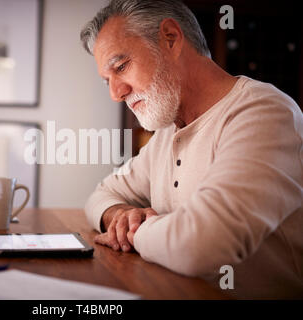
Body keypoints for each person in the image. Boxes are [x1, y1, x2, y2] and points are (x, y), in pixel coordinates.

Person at [80, 0, 303, 298]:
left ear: (170, 38)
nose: (115, 93)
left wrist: (138, 230)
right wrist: (121, 214)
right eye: (107, 80)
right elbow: (100, 195)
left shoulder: (264, 112)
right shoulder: (167, 133)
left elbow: (200, 245)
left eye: (121, 67)